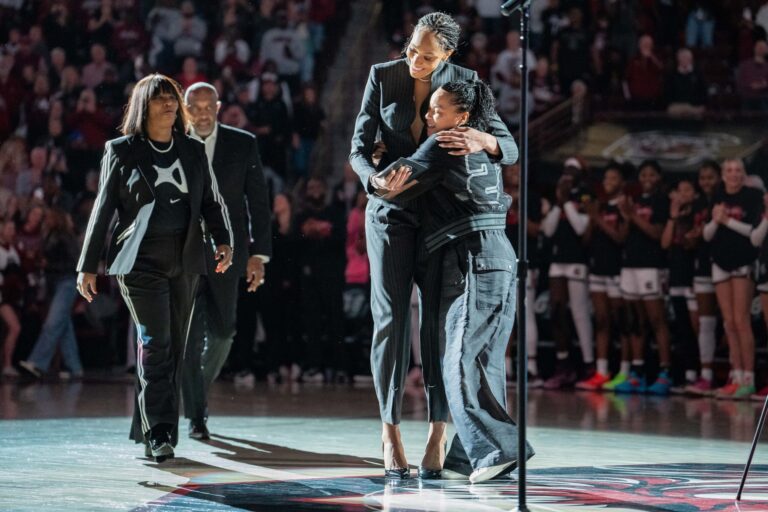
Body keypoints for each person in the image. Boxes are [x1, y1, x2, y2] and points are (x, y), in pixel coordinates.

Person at [349, 12, 518, 479]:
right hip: (390, 213)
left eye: (427, 55)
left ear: (447, 54)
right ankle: (389, 433)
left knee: (441, 330)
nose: (415, 61)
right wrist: (373, 181)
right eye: (410, 51)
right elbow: (358, 149)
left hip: (442, 219)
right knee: (392, 322)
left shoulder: (467, 84)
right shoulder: (383, 76)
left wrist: (483, 138)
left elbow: (510, 146)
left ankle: (438, 435)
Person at [377, 79, 534, 483]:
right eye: (428, 109)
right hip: (501, 252)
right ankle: (470, 459)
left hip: (471, 253)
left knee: (457, 360)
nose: (429, 116)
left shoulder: (443, 142)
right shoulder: (482, 141)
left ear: (461, 117)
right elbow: (509, 150)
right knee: (486, 363)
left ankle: (498, 449)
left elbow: (395, 183)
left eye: (437, 110)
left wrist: (378, 166)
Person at [75, 74, 233, 462]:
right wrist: (87, 265)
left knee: (173, 349)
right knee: (155, 343)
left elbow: (212, 201)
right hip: (139, 264)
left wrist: (223, 238)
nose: (168, 104)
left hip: (186, 262)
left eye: (172, 98)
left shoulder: (193, 150)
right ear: (143, 105)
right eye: (160, 98)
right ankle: (161, 432)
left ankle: (148, 427)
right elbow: (103, 210)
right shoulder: (122, 150)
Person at [181, 82, 272, 440]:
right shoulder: (173, 143)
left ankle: (194, 394)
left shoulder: (242, 143)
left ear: (218, 107)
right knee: (188, 339)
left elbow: (258, 203)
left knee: (223, 333)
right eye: (195, 107)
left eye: (208, 107)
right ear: (186, 108)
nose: (203, 114)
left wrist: (259, 255)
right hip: (184, 256)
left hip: (227, 254)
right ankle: (197, 413)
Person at [704, 158, 762, 399]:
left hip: (742, 262)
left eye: (738, 170)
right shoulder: (717, 195)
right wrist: (716, 221)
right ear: (723, 174)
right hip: (720, 262)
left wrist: (727, 220)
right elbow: (707, 235)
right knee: (728, 322)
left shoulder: (752, 196)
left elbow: (752, 232)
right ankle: (735, 374)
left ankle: (749, 377)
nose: (734, 174)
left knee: (741, 320)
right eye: (729, 170)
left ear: (744, 174)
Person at [615, 160, 673, 395]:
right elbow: (623, 236)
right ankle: (637, 372)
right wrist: (627, 216)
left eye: (651, 174)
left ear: (658, 177)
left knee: (656, 320)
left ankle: (665, 372)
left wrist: (633, 216)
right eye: (643, 174)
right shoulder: (634, 201)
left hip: (652, 265)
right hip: (630, 264)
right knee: (634, 321)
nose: (647, 178)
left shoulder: (662, 201)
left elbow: (658, 234)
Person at [583, 163, 630, 391]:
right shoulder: (599, 206)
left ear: (622, 182)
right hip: (597, 267)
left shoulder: (623, 206)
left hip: (617, 269)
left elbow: (620, 237)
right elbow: (585, 239)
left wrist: (597, 217)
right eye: (606, 177)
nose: (608, 181)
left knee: (622, 321)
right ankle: (601, 371)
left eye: (613, 177)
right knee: (601, 321)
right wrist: (593, 217)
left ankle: (625, 371)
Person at [19, 208, 81, 379]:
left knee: (52, 323)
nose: (46, 218)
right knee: (64, 327)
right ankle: (75, 368)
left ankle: (37, 362)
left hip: (66, 282)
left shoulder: (65, 237)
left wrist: (48, 265)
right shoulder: (49, 235)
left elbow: (73, 263)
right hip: (55, 283)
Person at [685, 161, 721, 395]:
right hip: (702, 267)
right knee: (704, 323)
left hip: (727, 265)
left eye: (710, 177)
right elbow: (688, 241)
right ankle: (706, 376)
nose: (706, 181)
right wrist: (693, 236)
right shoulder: (696, 204)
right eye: (703, 177)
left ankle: (739, 375)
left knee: (732, 323)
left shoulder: (726, 199)